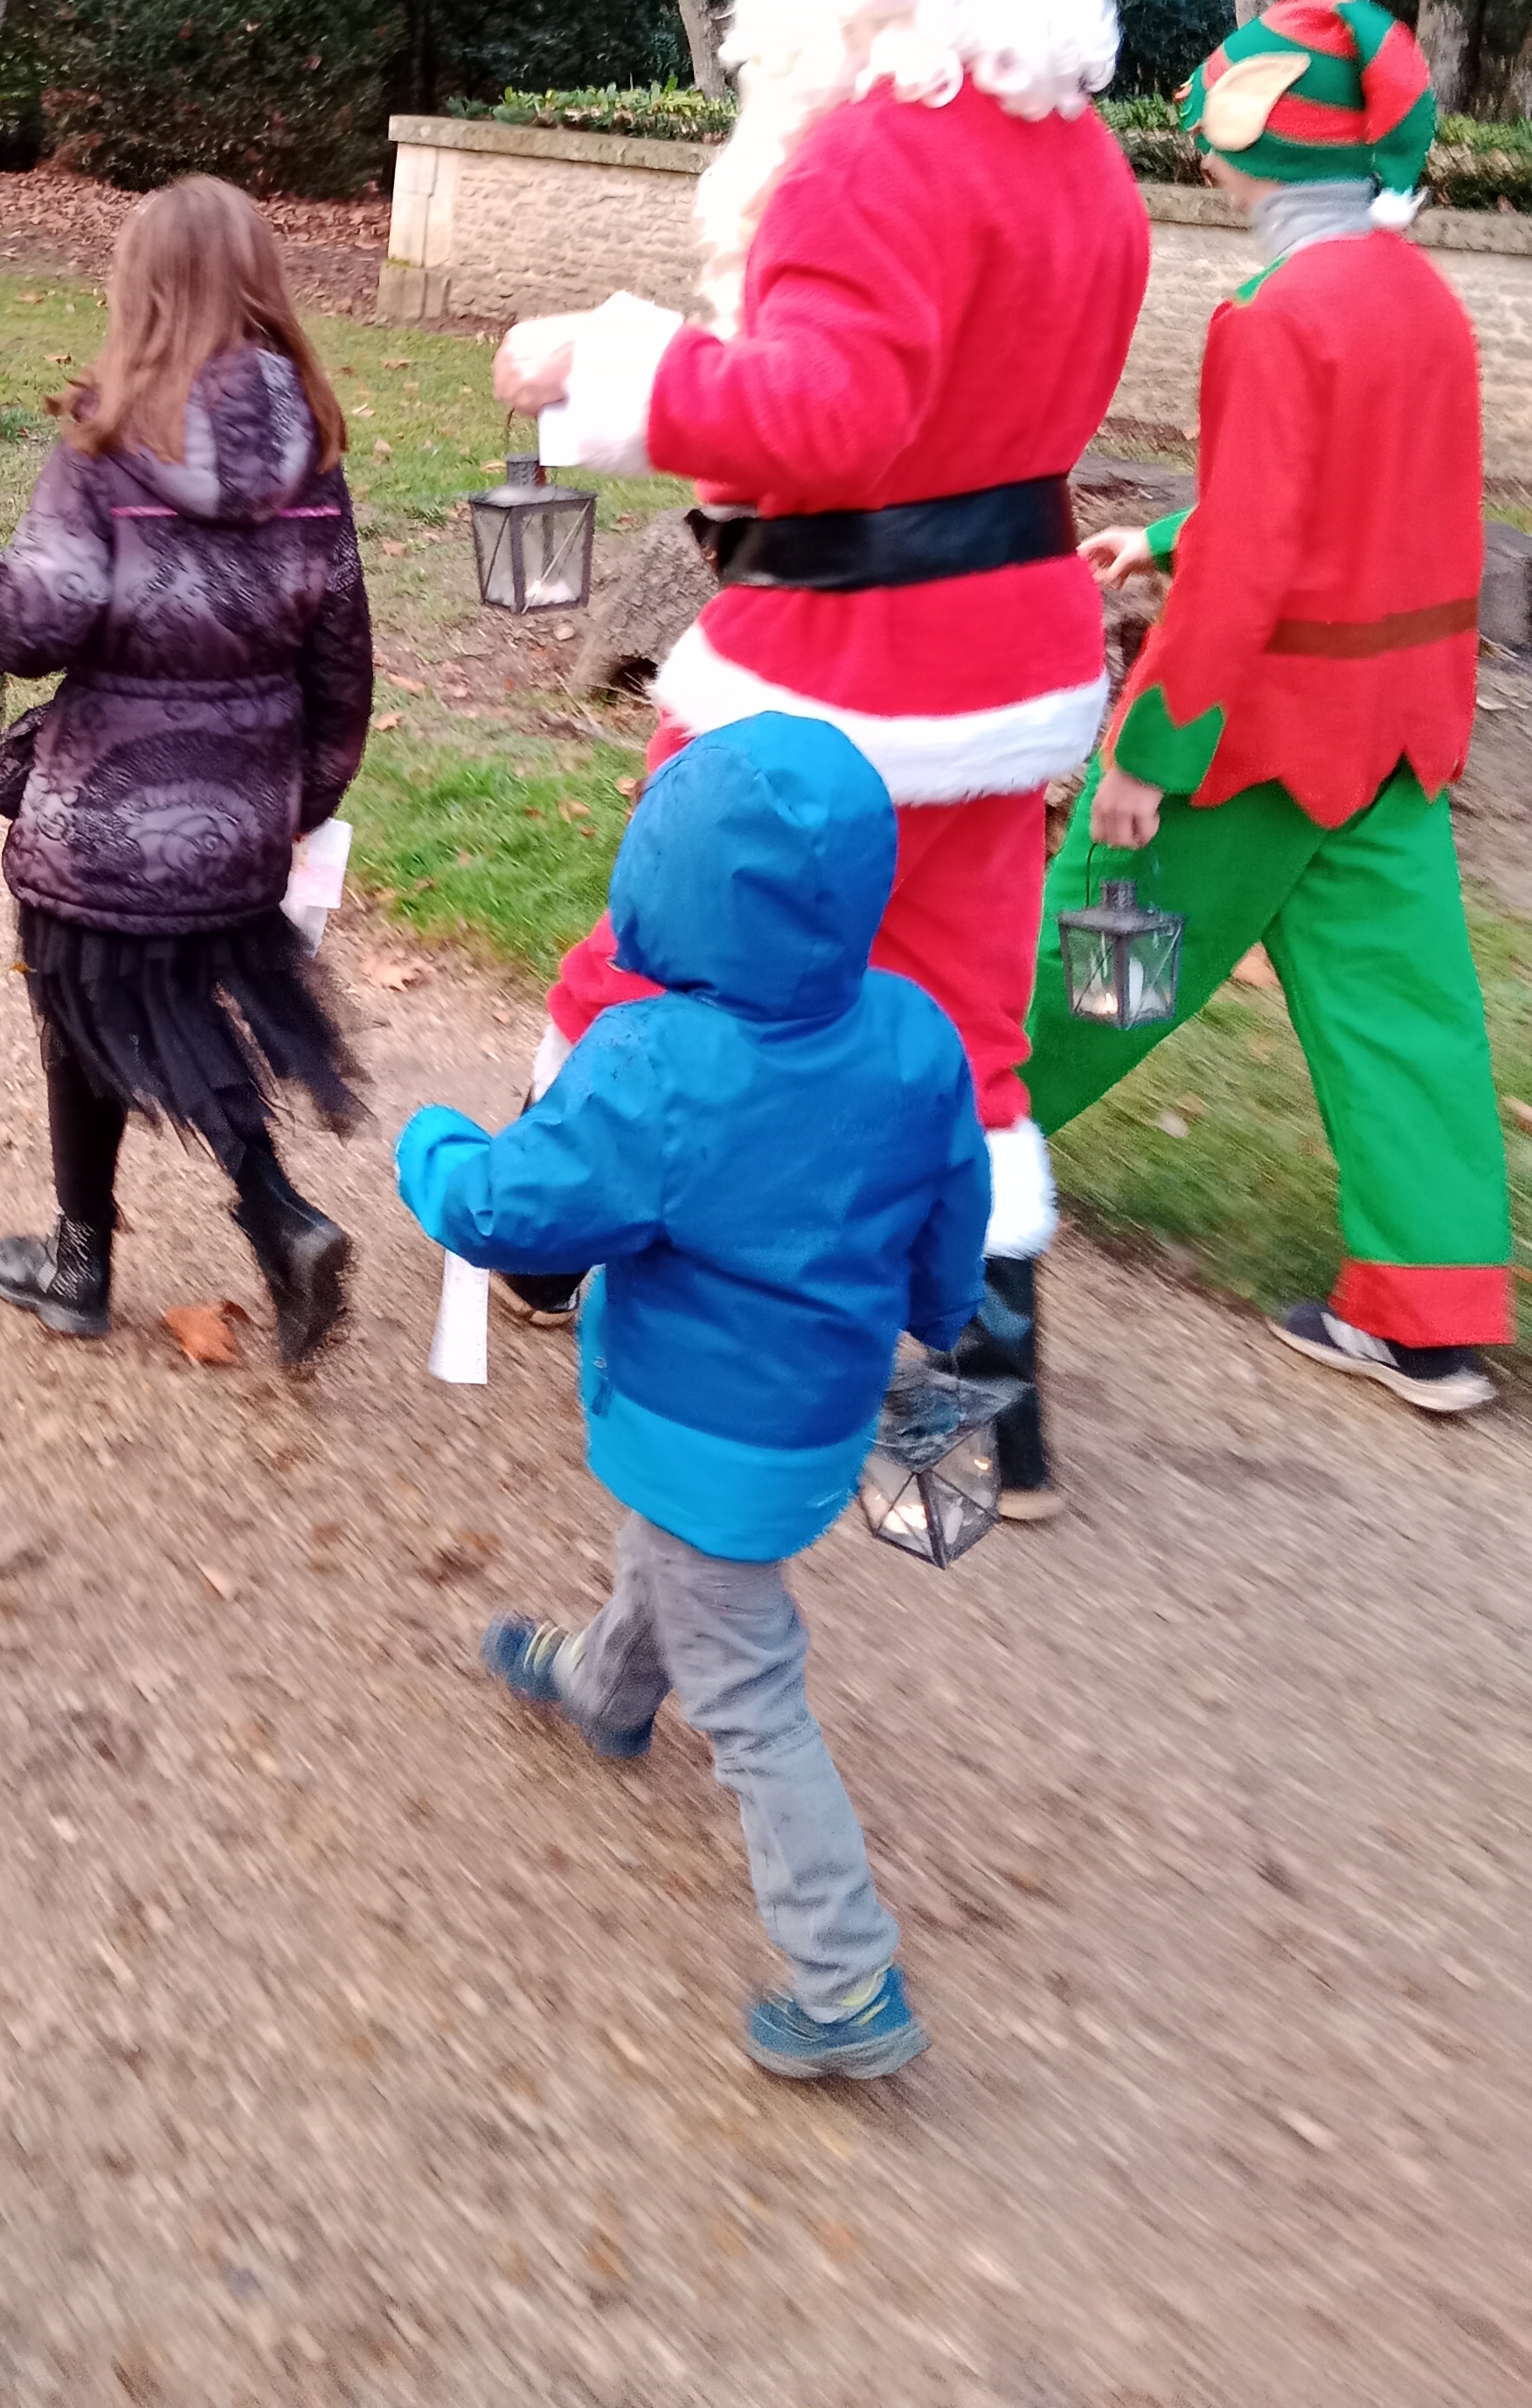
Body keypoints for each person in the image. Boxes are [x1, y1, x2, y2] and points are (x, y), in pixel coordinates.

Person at [490, 0, 1149, 1516]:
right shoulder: (1080, 153)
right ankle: (995, 1414)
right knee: (966, 1017)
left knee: (662, 950)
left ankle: (545, 1238)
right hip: (1010, 659)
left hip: (831, 659)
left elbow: (830, 418)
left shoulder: (870, 146)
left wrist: (599, 364)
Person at [397, 716, 988, 2080]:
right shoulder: (911, 1032)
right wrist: (941, 1314)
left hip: (701, 1426)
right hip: (821, 1412)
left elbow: (508, 1212)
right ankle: (604, 1688)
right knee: (672, 1562)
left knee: (752, 1689)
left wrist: (434, 1146)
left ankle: (844, 1976)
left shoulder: (657, 1066)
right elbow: (953, 1201)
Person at [1025, 0, 1514, 1417]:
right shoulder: (1423, 299)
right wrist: (1166, 533)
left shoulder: (1275, 314)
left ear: (1268, 147)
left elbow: (1253, 562)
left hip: (1258, 741)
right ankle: (1428, 1320)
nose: (1200, 155)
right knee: (1404, 1015)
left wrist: (1146, 756)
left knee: (1085, 963)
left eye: (1215, 132)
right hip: (1399, 734)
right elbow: (1356, 500)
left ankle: (917, 1169)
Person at [0, 174, 372, 1364]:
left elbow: (34, 624)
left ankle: (108, 1256)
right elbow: (343, 665)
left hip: (102, 821)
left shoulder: (106, 449)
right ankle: (263, 1222)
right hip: (241, 820)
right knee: (168, 1011)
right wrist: (297, 804)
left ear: (141, 291)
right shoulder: (314, 459)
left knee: (81, 1010)